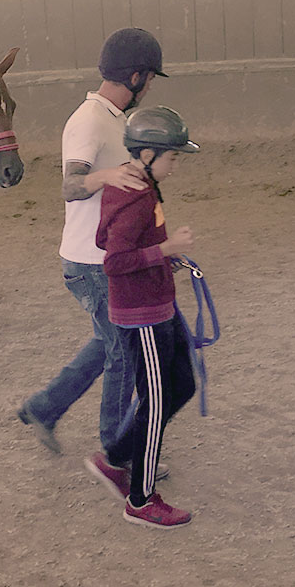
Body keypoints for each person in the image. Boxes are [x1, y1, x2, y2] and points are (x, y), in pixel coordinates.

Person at [17, 27, 168, 456]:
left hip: (105, 255)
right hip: (91, 262)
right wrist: (106, 176)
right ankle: (117, 449)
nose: (150, 85)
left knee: (109, 343)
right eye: (150, 77)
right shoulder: (88, 121)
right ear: (136, 76)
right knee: (124, 353)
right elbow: (69, 185)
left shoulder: (115, 120)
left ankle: (44, 408)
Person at [88, 105, 199, 529]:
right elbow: (113, 261)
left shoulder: (143, 187)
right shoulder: (134, 197)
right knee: (155, 402)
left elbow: (122, 241)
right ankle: (140, 498)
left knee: (182, 385)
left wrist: (161, 258)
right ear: (148, 154)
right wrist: (164, 251)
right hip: (141, 317)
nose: (175, 166)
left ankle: (117, 458)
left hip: (158, 304)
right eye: (172, 157)